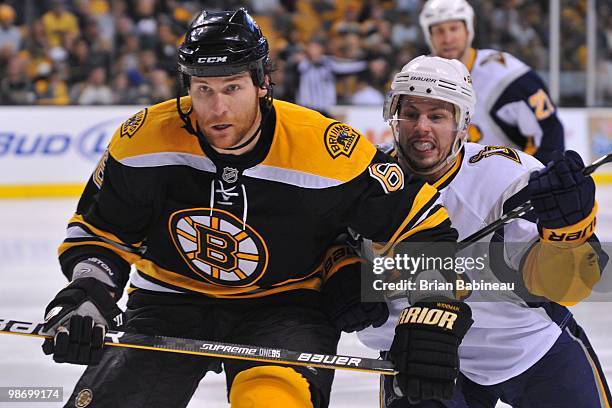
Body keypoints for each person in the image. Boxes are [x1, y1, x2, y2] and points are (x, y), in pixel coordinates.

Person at [40, 9, 472, 408]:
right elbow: (100, 235)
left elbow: (423, 227)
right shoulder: (143, 141)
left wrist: (432, 310)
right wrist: (90, 294)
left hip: (286, 307)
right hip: (167, 305)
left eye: (233, 87)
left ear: (262, 83)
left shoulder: (325, 149)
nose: (218, 108)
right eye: (203, 89)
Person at [357, 55, 610, 407]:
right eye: (410, 114)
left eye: (438, 116)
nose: (421, 127)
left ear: (463, 125)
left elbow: (565, 288)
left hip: (527, 345)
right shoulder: (360, 182)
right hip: (424, 352)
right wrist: (345, 277)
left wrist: (570, 232)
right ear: (393, 120)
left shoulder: (506, 178)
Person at [418, 0, 564, 164]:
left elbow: (548, 133)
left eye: (454, 28)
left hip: (507, 183)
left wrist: (536, 181)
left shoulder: (505, 76)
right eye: (439, 31)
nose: (447, 38)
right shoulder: (420, 78)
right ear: (429, 35)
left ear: (468, 30)